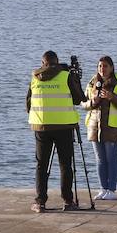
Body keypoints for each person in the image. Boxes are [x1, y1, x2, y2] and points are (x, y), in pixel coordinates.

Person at [26, 50, 86, 212]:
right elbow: (78, 98)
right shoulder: (65, 76)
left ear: (42, 63)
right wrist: (76, 80)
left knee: (41, 165)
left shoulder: (34, 77)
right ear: (57, 62)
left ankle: (40, 202)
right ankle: (68, 201)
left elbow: (28, 104)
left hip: (41, 127)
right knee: (65, 164)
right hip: (63, 126)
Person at [84, 55, 117, 200]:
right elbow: (83, 103)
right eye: (99, 66)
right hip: (95, 127)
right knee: (100, 159)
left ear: (111, 67)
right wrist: (93, 101)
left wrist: (112, 97)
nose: (102, 69)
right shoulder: (92, 82)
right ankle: (103, 189)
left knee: (111, 158)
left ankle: (112, 190)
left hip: (113, 127)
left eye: (105, 66)